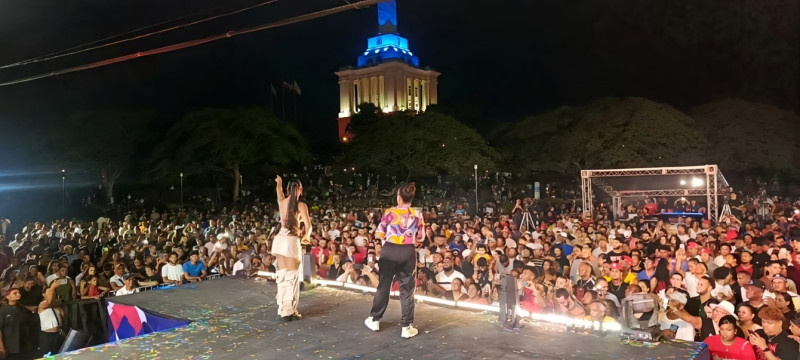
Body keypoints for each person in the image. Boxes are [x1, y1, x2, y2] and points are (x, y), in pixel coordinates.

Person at [365, 183, 424, 339]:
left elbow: (379, 234)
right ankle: (406, 326)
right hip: (407, 251)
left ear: (399, 197)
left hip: (390, 250)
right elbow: (421, 237)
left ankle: (375, 319)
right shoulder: (417, 214)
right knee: (407, 288)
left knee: (384, 285)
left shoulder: (390, 212)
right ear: (411, 198)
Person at [272, 176, 311, 322]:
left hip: (279, 239)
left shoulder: (282, 202)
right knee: (292, 276)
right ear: (300, 189)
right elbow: (308, 226)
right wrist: (306, 236)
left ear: (288, 189)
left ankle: (282, 308)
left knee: (282, 275)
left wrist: (279, 183)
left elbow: (279, 192)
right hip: (290, 240)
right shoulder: (301, 206)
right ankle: (289, 311)